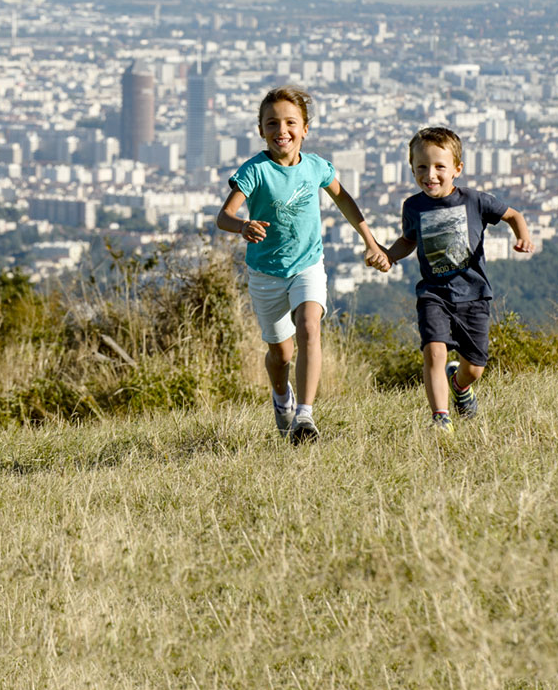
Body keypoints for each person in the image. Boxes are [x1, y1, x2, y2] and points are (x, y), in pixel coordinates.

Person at [215, 85, 389, 444]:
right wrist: (243, 226)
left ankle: (305, 416)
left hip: (307, 265)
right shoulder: (255, 170)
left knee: (310, 325)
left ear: (305, 129)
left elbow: (345, 201)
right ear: (261, 130)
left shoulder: (316, 167)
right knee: (281, 353)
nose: (282, 130)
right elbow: (225, 215)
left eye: (291, 122)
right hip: (265, 273)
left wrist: (371, 242)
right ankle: (282, 397)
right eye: (272, 123)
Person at [381, 126, 536, 429]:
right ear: (412, 168)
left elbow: (513, 215)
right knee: (434, 351)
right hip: (434, 294)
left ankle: (460, 385)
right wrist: (388, 255)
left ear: (457, 169)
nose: (431, 174)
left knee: (475, 369)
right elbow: (408, 240)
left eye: (440, 167)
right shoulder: (412, 206)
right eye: (422, 167)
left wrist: (523, 237)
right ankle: (440, 419)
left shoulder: (475, 200)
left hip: (474, 295)